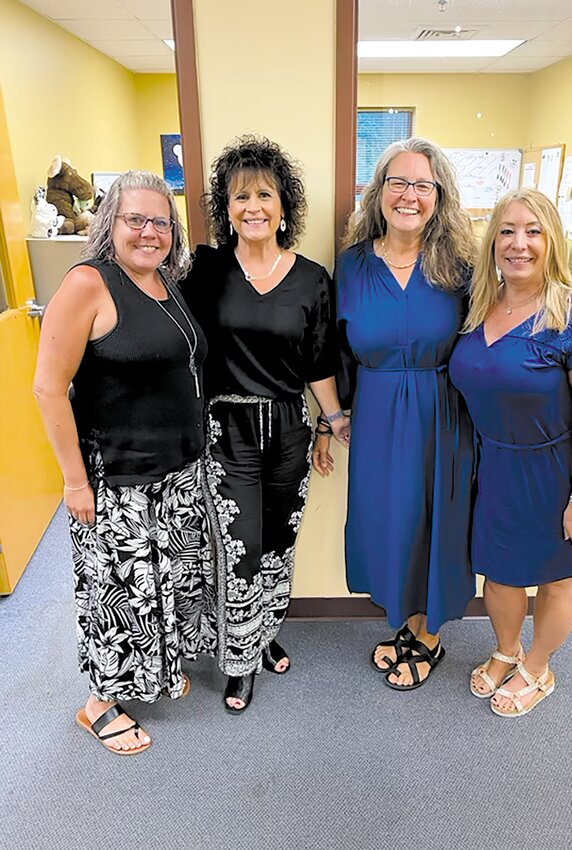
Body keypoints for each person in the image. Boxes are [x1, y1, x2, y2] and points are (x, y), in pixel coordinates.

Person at [34, 171, 215, 754]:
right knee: (117, 593)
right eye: (135, 218)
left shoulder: (164, 279)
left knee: (161, 586)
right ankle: (99, 704)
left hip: (174, 471)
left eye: (160, 221)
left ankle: (153, 674)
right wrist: (73, 481)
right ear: (109, 221)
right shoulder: (89, 284)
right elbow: (47, 388)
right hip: (116, 475)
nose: (149, 231)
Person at [180, 135, 349, 714]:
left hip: (290, 427)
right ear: (225, 209)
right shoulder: (202, 270)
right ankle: (238, 660)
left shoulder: (311, 278)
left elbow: (320, 362)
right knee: (239, 547)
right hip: (226, 429)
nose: (253, 206)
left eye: (265, 194)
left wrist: (333, 422)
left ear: (284, 205)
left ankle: (265, 630)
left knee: (279, 541)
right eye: (240, 196)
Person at [449, 188, 572, 717]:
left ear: (553, 241)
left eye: (533, 231)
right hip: (496, 465)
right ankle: (507, 649)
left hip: (559, 474)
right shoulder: (482, 304)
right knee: (498, 575)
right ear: (492, 241)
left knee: (554, 577)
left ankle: (538, 667)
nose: (518, 243)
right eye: (506, 231)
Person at [318, 137, 477, 691]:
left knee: (434, 522)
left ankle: (429, 637)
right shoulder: (353, 266)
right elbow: (334, 350)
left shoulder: (462, 267)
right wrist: (331, 417)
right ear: (378, 190)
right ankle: (408, 622)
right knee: (392, 524)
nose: (409, 195)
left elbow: (490, 337)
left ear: (440, 196)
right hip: (378, 414)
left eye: (422, 184)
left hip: (443, 413)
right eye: (398, 182)